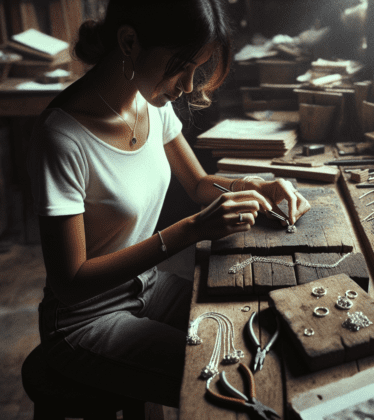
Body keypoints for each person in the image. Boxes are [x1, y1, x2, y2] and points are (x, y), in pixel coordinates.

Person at [27, 0, 310, 408]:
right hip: (83, 321)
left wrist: (254, 185)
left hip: (148, 287)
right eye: (181, 66)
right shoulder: (62, 137)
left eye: (197, 69)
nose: (189, 85)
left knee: (257, 332)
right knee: (235, 373)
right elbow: (70, 284)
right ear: (129, 42)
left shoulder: (150, 103)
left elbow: (197, 184)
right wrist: (190, 231)